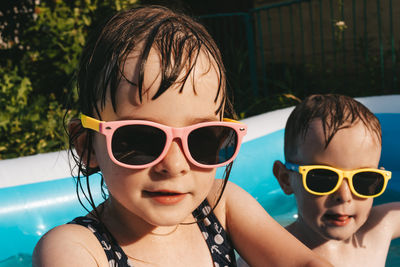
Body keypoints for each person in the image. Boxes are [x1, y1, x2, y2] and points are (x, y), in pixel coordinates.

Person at [32, 6, 332, 267]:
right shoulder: (76, 248)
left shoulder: (219, 207)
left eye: (203, 139)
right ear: (88, 146)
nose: (174, 166)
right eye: (141, 140)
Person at [273, 94, 400, 267]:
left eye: (364, 180)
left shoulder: (377, 231)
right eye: (323, 178)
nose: (344, 196)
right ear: (285, 179)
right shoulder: (269, 255)